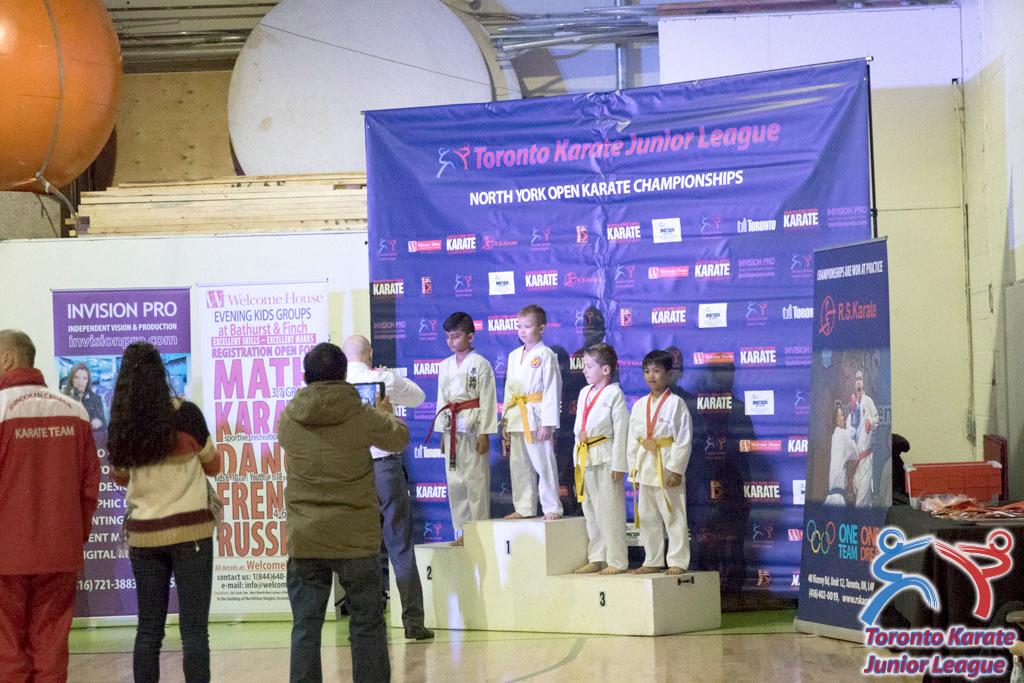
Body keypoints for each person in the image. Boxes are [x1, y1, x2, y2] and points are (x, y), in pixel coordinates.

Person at [280, 342, 410, 683]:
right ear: (343, 376)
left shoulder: (289, 417)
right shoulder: (360, 413)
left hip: (306, 535)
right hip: (356, 537)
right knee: (367, 624)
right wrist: (386, 412)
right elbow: (398, 438)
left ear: (304, 377)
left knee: (305, 627)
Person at [107, 341, 220, 683]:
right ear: (162, 374)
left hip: (144, 537)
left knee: (148, 631)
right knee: (194, 631)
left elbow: (119, 477)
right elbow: (213, 466)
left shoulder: (122, 424)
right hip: (192, 535)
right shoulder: (187, 415)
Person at [0, 329, 99, 682]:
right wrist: (74, 535)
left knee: (7, 649)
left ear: (7, 359)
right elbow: (90, 486)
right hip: (60, 548)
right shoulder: (75, 410)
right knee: (52, 646)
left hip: (6, 553)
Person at [342, 335, 434, 641]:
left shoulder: (337, 385)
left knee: (358, 549)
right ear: (369, 353)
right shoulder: (383, 379)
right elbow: (419, 397)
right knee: (400, 545)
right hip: (385, 468)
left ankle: (364, 622)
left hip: (352, 472)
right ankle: (413, 623)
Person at [428, 312, 498, 546]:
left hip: (472, 427)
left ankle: (478, 533)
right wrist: (442, 432)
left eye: (456, 336)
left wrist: (484, 433)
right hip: (452, 428)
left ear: (470, 336)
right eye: (447, 337)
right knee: (455, 483)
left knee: (475, 483)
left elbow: (487, 400)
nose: (451, 341)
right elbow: (441, 399)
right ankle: (461, 532)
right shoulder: (444, 365)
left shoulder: (481, 364)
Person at [627, 350, 693, 576]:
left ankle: (678, 561)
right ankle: (652, 559)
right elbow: (633, 441)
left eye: (656, 371)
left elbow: (683, 439)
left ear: (669, 373)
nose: (651, 376)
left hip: (666, 465)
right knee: (648, 517)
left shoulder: (676, 404)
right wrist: (633, 470)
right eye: (647, 371)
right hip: (645, 465)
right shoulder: (639, 405)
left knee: (674, 516)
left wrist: (676, 469)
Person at [571, 343, 629, 575]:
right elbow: (579, 428)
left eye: (589, 366)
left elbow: (622, 431)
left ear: (606, 369)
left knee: (610, 511)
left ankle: (617, 560)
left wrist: (619, 464)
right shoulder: (584, 393)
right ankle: (596, 557)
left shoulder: (615, 394)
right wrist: (577, 458)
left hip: (606, 456)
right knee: (591, 510)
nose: (584, 370)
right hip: (585, 455)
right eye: (584, 366)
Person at [501, 304, 563, 521]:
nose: (522, 331)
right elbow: (510, 389)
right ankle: (524, 507)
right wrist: (506, 419)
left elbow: (552, 390)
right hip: (517, 413)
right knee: (519, 464)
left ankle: (552, 507)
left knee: (543, 462)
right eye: (519, 326)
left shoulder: (546, 355)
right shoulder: (513, 355)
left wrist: (548, 423)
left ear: (541, 328)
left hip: (536, 416)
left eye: (527, 326)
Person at [849, 369, 879, 507]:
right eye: (856, 379)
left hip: (866, 460)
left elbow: (876, 419)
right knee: (863, 498)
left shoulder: (868, 401)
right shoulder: (853, 405)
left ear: (864, 382)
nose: (858, 382)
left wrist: (869, 422)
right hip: (856, 463)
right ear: (854, 384)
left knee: (860, 502)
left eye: (860, 379)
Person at [825, 401, 859, 506]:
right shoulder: (841, 434)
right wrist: (852, 434)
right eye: (841, 416)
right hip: (837, 499)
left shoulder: (835, 435)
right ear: (836, 420)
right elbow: (856, 454)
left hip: (832, 496)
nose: (843, 418)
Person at [63, 362, 106, 430]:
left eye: (84, 378)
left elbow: (104, 425)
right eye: (76, 377)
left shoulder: (96, 399)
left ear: (88, 380)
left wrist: (99, 422)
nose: (80, 382)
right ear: (71, 379)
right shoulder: (62, 398)